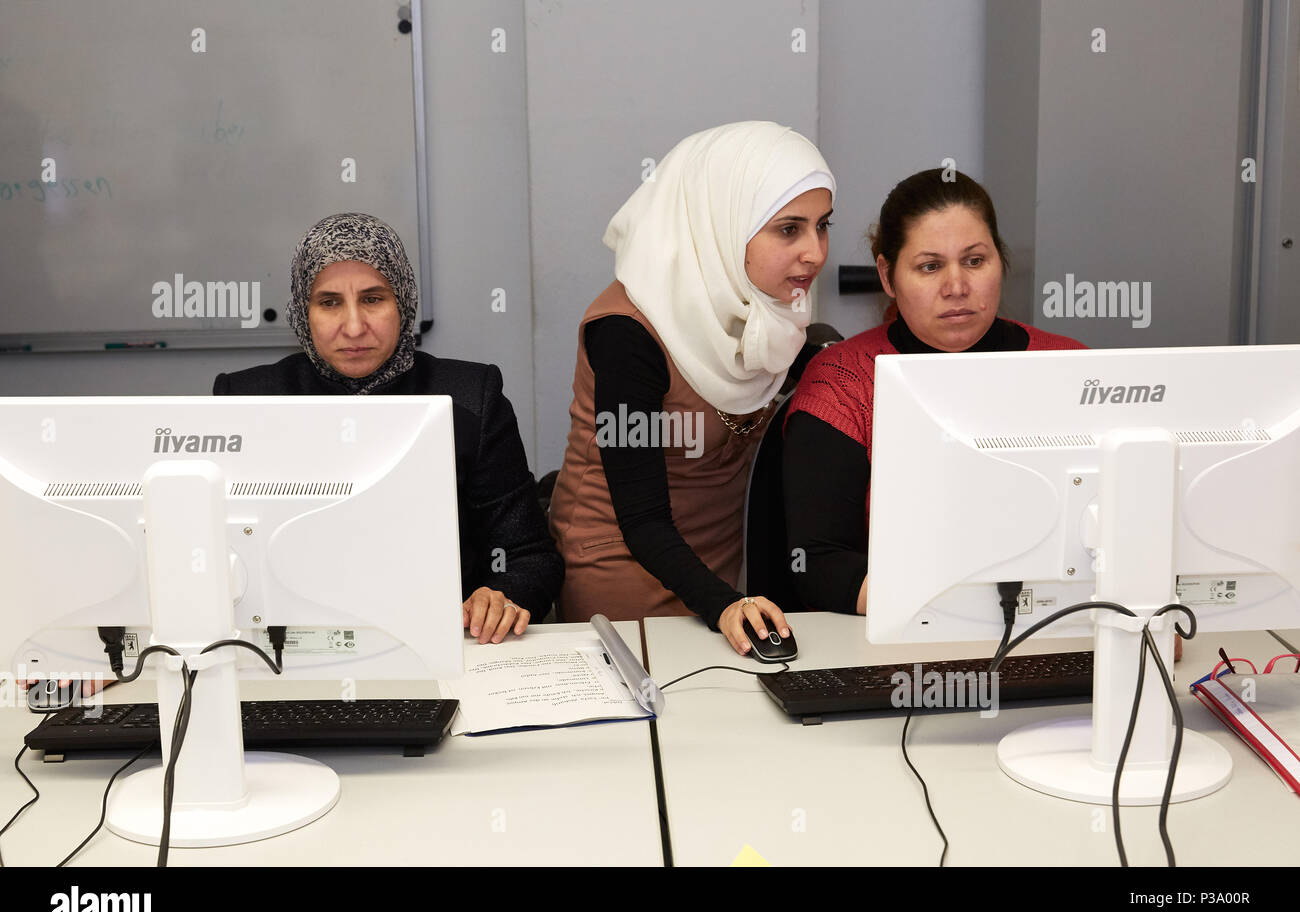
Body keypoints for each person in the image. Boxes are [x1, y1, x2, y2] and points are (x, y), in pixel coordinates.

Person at [548, 121, 836, 655]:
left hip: (723, 577)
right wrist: (723, 603)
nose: (815, 253)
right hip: (624, 569)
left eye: (822, 226)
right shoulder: (628, 334)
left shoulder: (774, 314)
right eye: (789, 229)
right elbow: (641, 518)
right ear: (720, 224)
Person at [214, 212, 562, 642]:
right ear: (302, 313)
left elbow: (529, 556)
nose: (355, 327)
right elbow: (209, 556)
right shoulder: (247, 400)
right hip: (287, 652)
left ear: (404, 302)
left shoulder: (470, 395)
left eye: (374, 299)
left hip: (443, 645)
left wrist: (501, 593)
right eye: (329, 302)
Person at [782, 169, 1086, 616]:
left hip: (1064, 628)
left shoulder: (1073, 368)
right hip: (901, 641)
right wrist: (968, 614)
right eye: (929, 266)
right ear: (887, 275)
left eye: (975, 261)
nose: (956, 287)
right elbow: (818, 566)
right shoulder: (843, 383)